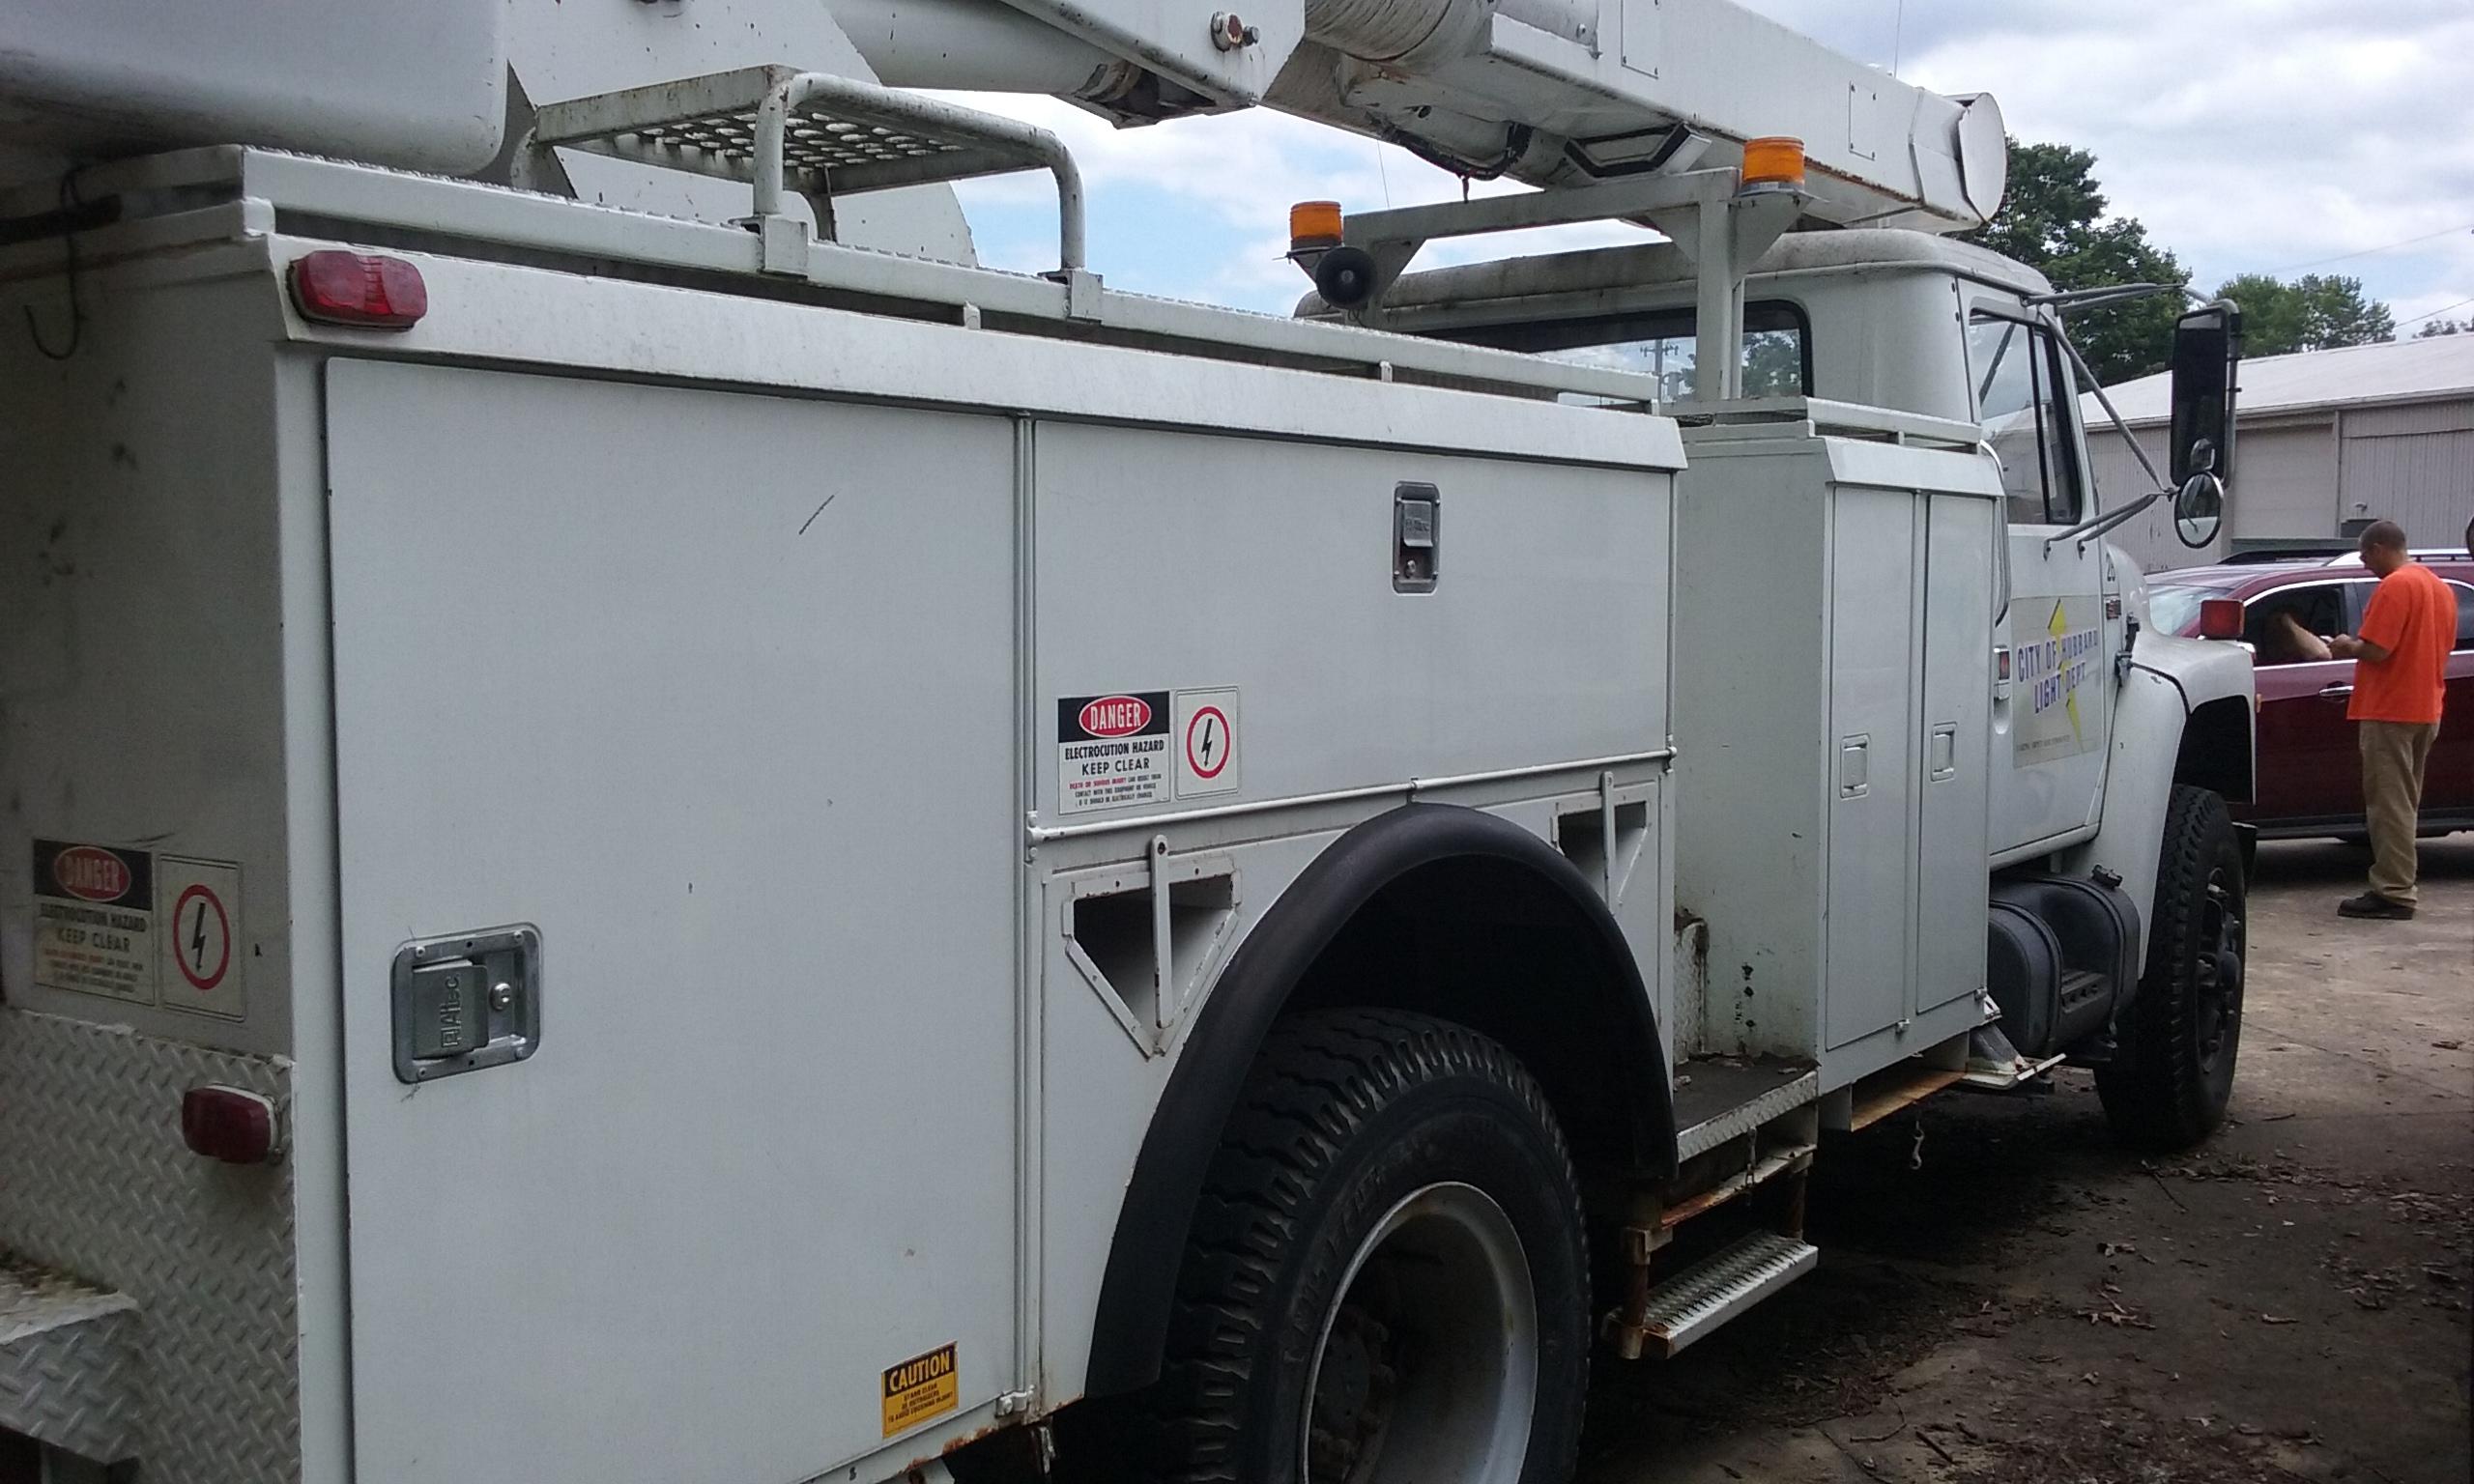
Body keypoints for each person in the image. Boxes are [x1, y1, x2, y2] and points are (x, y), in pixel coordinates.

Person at [2323, 521, 2455, 920]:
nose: (2365, 565)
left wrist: (2347, 645)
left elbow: (2378, 650)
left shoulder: (2396, 586)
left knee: (2388, 804)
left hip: (2390, 709)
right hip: (2424, 706)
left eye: (2365, 556)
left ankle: (2394, 890)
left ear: (2380, 547)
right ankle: (2398, 882)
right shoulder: (2440, 588)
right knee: (2404, 803)